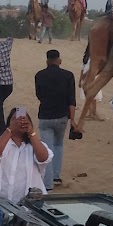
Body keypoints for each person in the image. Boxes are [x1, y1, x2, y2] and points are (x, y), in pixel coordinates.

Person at [0, 107, 51, 203]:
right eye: (15, 119)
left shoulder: (35, 144)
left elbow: (43, 158)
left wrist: (31, 133)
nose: (20, 122)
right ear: (9, 123)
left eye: (24, 120)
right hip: (1, 198)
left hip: (29, 202)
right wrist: (10, 130)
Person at [34, 49, 77, 189]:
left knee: (47, 147)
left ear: (47, 61)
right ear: (59, 60)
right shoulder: (68, 75)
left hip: (45, 115)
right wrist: (73, 120)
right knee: (58, 145)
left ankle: (47, 183)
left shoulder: (39, 75)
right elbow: (71, 99)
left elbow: (39, 95)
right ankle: (56, 177)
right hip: (62, 115)